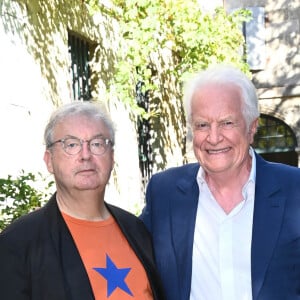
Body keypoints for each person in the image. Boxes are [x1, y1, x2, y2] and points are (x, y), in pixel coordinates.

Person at [140, 65, 300, 300]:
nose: (213, 138)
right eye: (202, 125)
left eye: (227, 123)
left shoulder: (294, 190)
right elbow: (128, 258)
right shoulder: (165, 194)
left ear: (252, 127)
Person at [0, 101, 165, 300]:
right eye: (71, 144)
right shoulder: (18, 244)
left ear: (112, 157)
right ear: (49, 160)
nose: (85, 155)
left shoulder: (137, 231)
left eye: (97, 143)